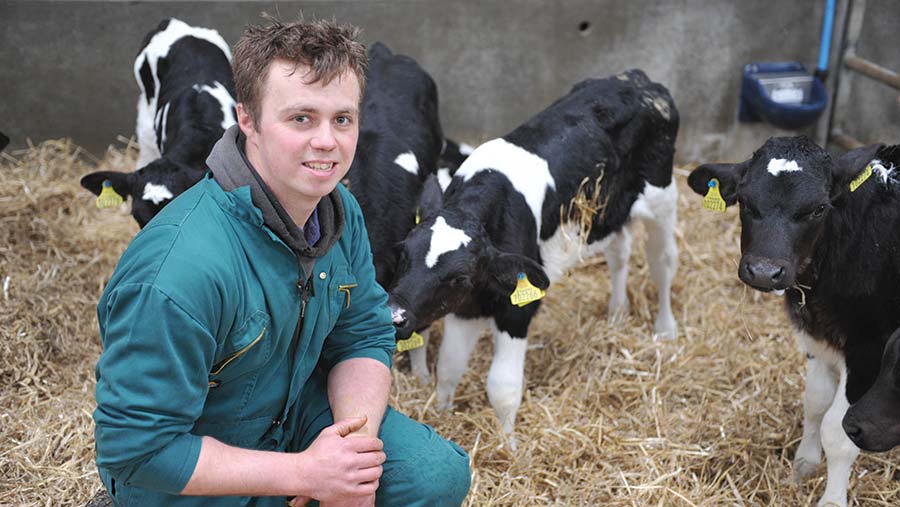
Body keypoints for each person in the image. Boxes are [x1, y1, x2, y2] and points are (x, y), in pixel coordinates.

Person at [92, 16, 471, 507]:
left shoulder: (340, 212)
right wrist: (304, 474)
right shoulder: (175, 271)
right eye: (301, 118)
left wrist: (347, 456)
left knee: (434, 476)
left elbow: (362, 334)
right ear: (246, 118)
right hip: (192, 459)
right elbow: (136, 451)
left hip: (290, 410)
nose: (327, 142)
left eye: (342, 119)